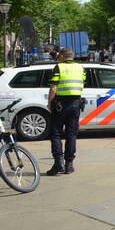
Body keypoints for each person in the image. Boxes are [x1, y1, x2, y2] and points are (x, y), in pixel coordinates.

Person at [46, 47, 85, 175]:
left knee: (55, 133)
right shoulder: (80, 68)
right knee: (71, 134)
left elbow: (53, 88)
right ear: (72, 56)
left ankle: (58, 163)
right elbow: (82, 82)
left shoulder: (59, 67)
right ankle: (69, 165)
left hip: (61, 104)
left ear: (62, 56)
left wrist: (50, 103)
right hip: (75, 104)